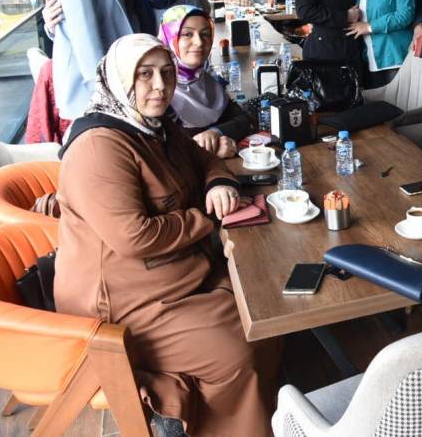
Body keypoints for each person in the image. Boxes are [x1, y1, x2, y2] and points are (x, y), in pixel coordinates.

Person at [53, 33, 276, 435]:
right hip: (120, 304)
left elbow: (205, 159)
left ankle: (252, 413)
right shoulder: (98, 146)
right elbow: (134, 237)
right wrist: (205, 218)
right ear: (120, 79)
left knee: (266, 311)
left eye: (167, 73)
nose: (160, 85)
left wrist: (218, 184)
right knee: (238, 350)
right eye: (145, 74)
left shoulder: (156, 126)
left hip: (176, 277)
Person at [158, 4, 250, 156]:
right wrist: (208, 152)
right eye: (187, 34)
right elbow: (162, 153)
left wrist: (215, 133)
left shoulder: (207, 81)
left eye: (205, 34)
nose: (199, 42)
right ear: (169, 37)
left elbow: (243, 120)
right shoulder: (159, 91)